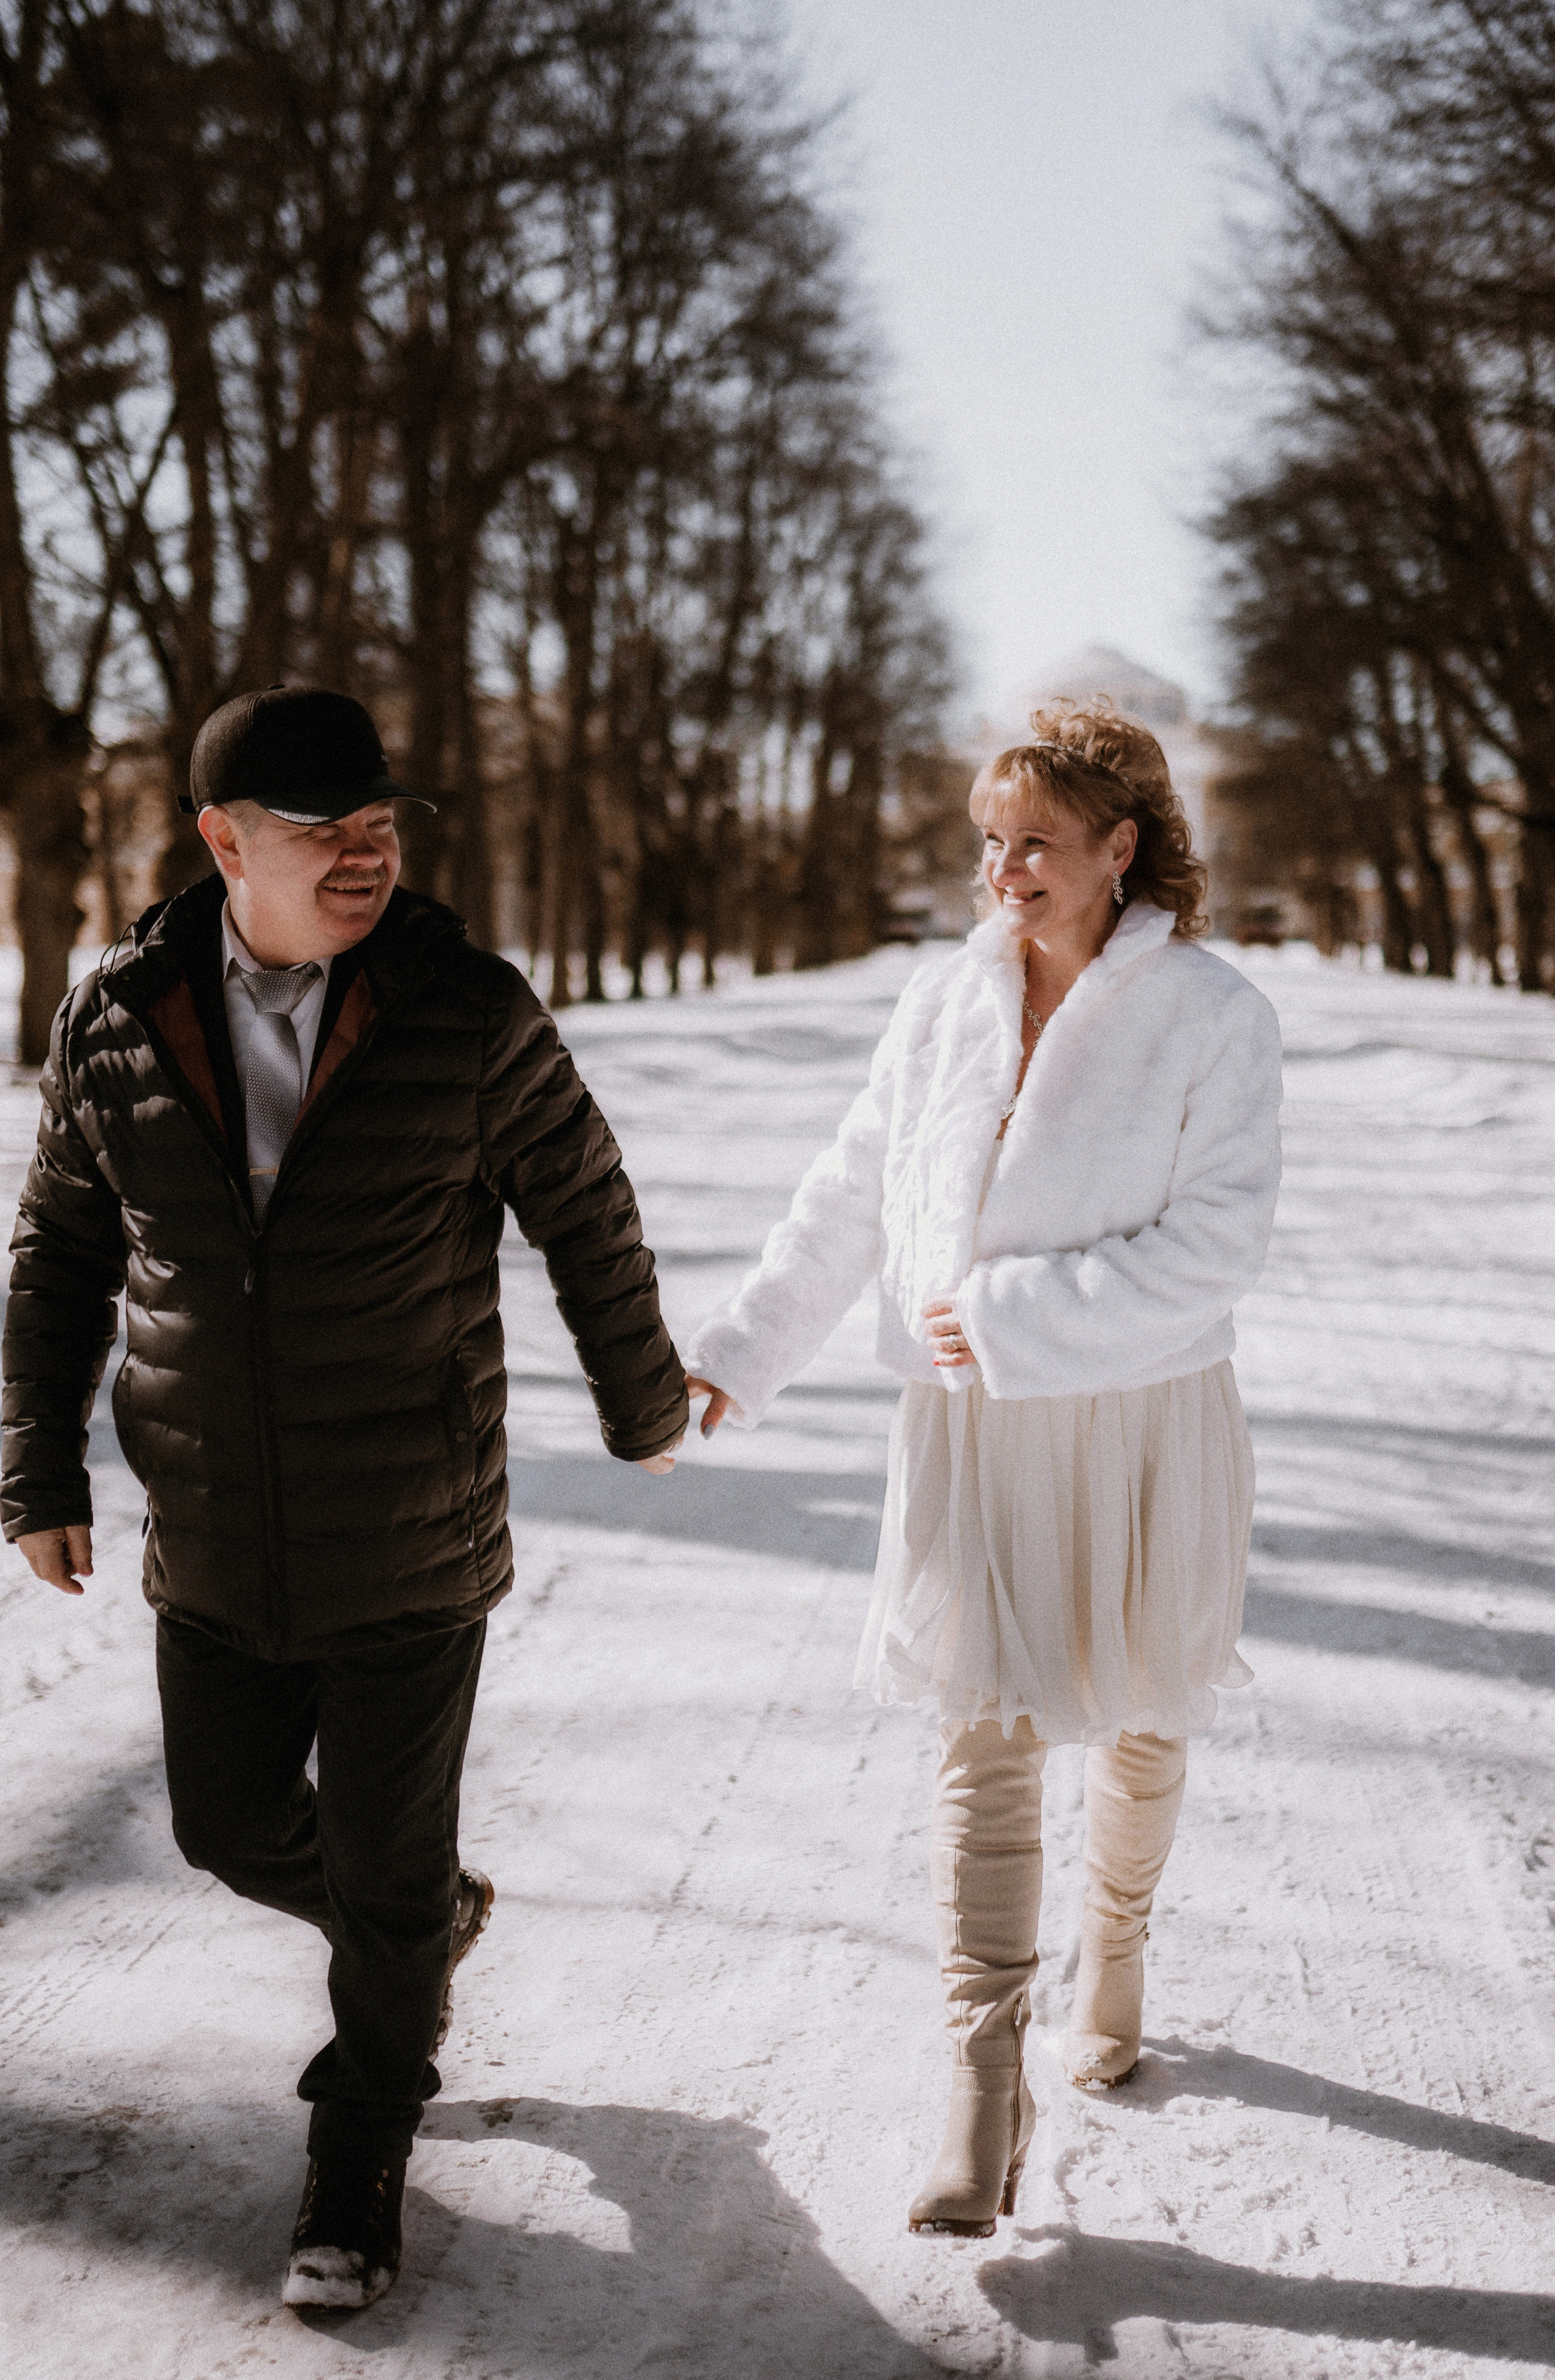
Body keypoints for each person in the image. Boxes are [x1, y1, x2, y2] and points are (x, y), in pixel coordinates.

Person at [1, 684, 688, 2311]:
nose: (369, 853)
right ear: (223, 841)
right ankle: (422, 1918)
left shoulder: (465, 1008)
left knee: (377, 1875)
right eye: (328, 831)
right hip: (213, 1526)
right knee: (225, 1824)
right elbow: (64, 1250)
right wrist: (35, 1463)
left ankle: (358, 2161)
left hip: (408, 1523)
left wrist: (642, 1394)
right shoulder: (115, 1015)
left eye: (383, 824)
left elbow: (584, 1202)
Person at [683, 698, 1282, 2238]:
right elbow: (849, 1191)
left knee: (1140, 1709)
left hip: (1138, 1415)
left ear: (1119, 848)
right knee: (982, 1730)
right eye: (991, 842)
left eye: (1037, 843)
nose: (1004, 870)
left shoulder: (1210, 1013)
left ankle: (1116, 1950)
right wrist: (743, 1349)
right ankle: (981, 2076)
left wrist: (1014, 1312)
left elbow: (1218, 1243)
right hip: (968, 1427)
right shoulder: (943, 1002)